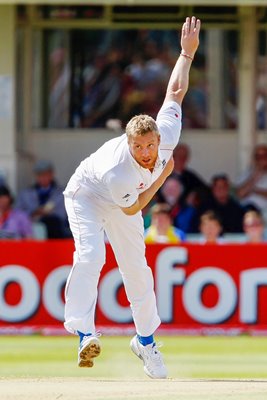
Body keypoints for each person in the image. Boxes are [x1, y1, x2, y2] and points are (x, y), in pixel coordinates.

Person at [63, 16, 200, 379]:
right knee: (91, 255)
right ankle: (83, 332)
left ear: (158, 139)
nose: (145, 152)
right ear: (129, 143)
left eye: (149, 145)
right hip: (89, 195)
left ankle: (146, 342)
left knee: (137, 269)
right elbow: (133, 206)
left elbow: (174, 93)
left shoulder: (166, 131)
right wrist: (164, 176)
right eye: (138, 146)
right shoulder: (118, 169)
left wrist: (186, 55)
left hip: (127, 198)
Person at [16, 160, 68, 238]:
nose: (43, 178)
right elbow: (18, 213)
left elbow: (65, 213)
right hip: (31, 230)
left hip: (56, 231)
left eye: (46, 174)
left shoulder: (62, 193)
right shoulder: (26, 193)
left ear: (52, 174)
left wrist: (47, 213)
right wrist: (34, 212)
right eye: (39, 175)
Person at [236, 144, 267, 221]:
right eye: (258, 156)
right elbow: (240, 194)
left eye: (264, 155)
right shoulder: (247, 173)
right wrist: (255, 176)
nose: (261, 159)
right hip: (246, 210)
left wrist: (253, 190)